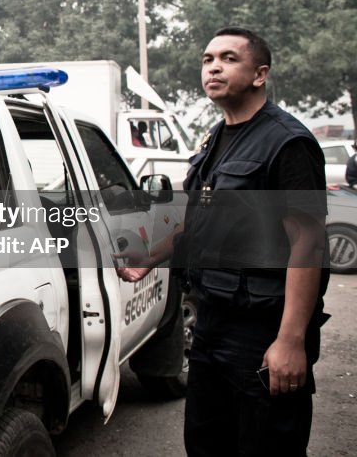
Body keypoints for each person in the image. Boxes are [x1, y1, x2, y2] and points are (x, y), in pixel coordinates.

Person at [117, 27, 328, 457]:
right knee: (206, 444)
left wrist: (289, 341)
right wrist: (149, 259)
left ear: (259, 74)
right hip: (212, 328)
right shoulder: (217, 140)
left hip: (261, 331)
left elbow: (308, 246)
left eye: (229, 58)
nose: (213, 66)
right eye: (207, 59)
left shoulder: (288, 143)